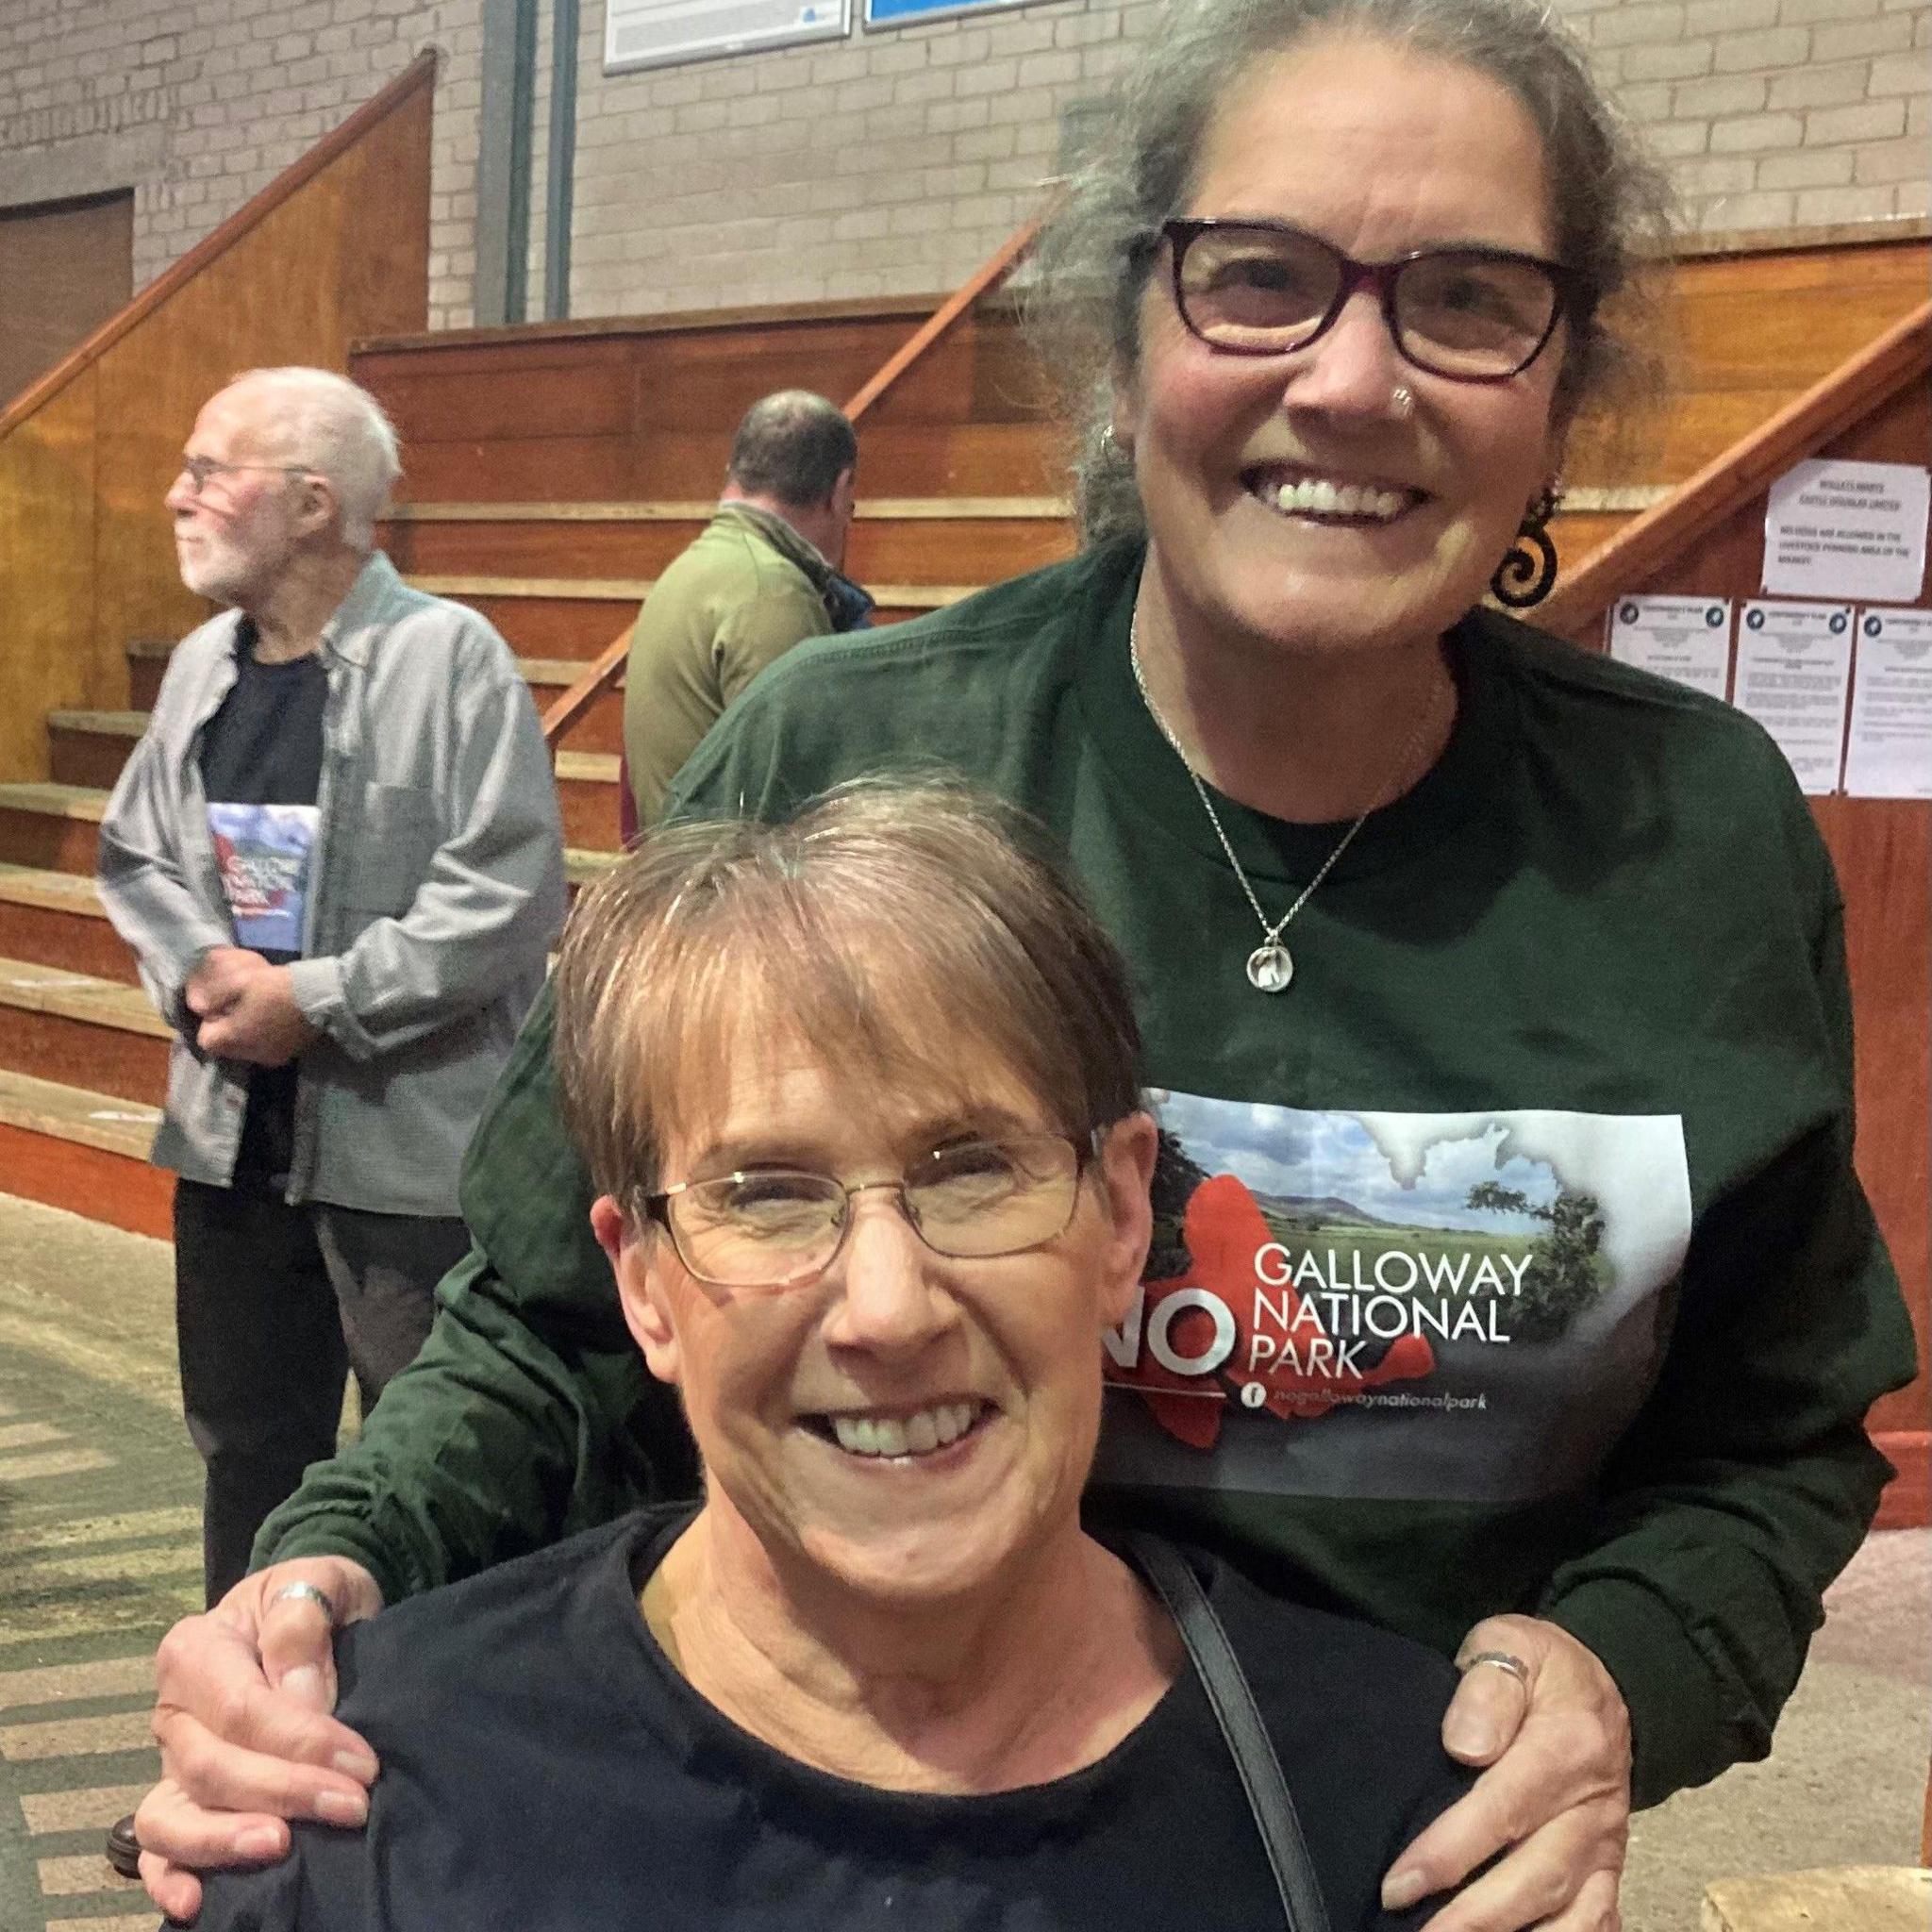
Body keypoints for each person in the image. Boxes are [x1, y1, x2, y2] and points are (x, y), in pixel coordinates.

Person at [131, 5, 1917, 1929]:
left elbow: (1771, 1434)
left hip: (1379, 1863)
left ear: (1565, 378)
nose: (1350, 376)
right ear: (1127, 322)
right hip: (827, 1840)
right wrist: (329, 1574)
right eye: (1258, 280)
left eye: (1467, 300)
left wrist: (1617, 1673)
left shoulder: (1689, 838)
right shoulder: (847, 757)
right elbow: (561, 1316)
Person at [190, 781, 1475, 1931]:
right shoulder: (365, 1810)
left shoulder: (1390, 1819)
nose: (886, 1308)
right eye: (766, 1193)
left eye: (973, 1169)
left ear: (1124, 1215)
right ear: (640, 1277)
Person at [96, 369, 566, 1605]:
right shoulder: (201, 665)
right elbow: (137, 851)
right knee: (247, 1461)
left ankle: (436, 1749)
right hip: (231, 1157)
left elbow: (506, 892)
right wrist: (204, 973)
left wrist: (316, 996)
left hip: (402, 1171)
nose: (178, 495)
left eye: (210, 471)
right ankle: (245, 1732)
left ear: (312, 505)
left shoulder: (448, 658)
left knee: (433, 1472)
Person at [621, 388, 870, 828]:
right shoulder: (773, 593)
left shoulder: (692, 566)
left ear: (733, 475)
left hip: (682, 872)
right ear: (839, 490)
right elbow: (795, 810)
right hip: (724, 885)